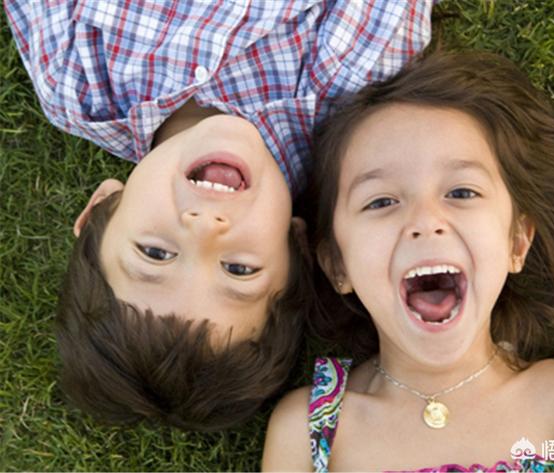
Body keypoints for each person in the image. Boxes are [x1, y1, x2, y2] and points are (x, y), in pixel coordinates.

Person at [4, 0, 438, 430]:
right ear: (297, 247)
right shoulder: (353, 78)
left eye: (155, 253)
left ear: (102, 207)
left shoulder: (77, 83)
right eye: (238, 269)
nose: (206, 228)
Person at [262, 50, 554, 471]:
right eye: (381, 201)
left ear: (517, 243)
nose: (425, 222)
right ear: (337, 265)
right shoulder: (309, 428)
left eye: (461, 192)